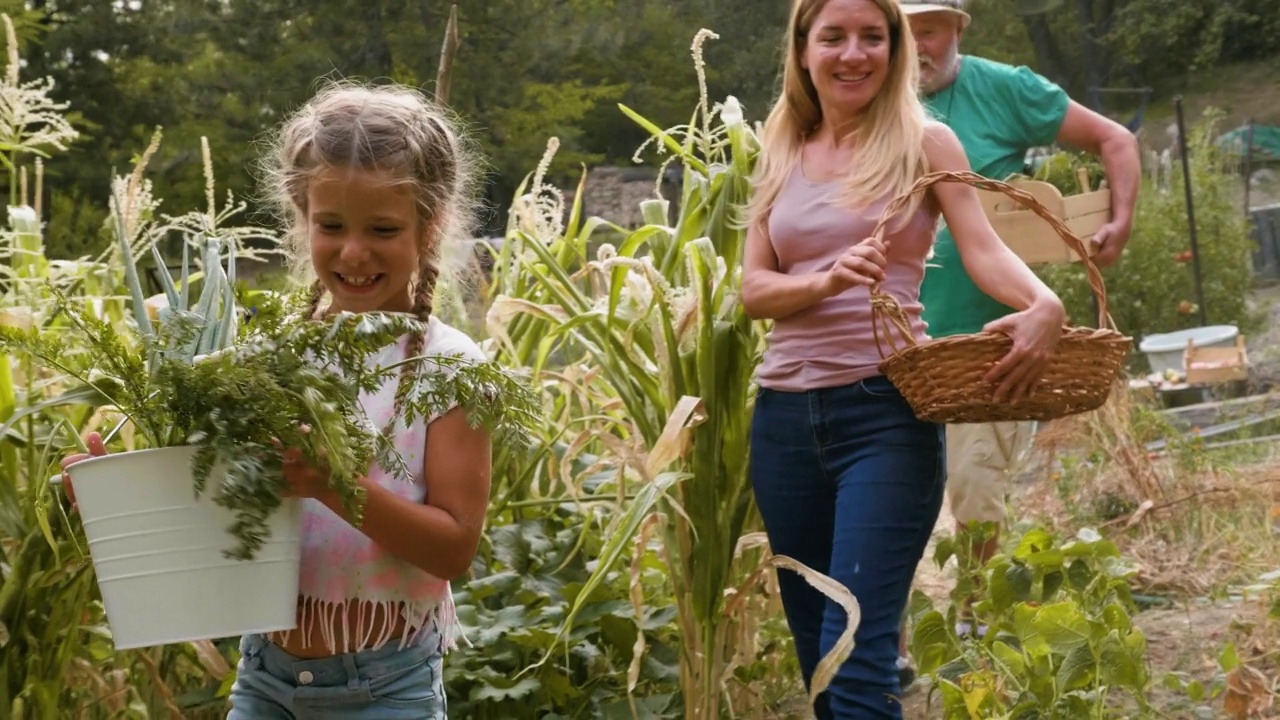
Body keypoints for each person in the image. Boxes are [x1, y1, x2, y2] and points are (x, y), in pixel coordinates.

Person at [61, 81, 493, 719]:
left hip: (387, 690)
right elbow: (216, 506)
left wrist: (329, 482)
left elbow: (455, 549)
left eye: (382, 228)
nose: (352, 251)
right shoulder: (269, 360)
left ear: (430, 228)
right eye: (331, 225)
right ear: (302, 216)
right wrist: (114, 494)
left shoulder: (450, 367)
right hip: (265, 681)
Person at [742, 0, 1071, 716]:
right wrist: (826, 279)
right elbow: (754, 289)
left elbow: (981, 247)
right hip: (783, 425)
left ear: (894, 51)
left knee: (858, 655)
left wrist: (1043, 301)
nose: (853, 53)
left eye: (872, 36)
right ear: (803, 50)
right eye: (833, 37)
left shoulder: (927, 142)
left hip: (885, 415)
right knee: (819, 663)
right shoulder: (782, 148)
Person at [902, 0, 1140, 635]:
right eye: (898, 30)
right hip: (891, 340)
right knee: (894, 501)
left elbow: (1115, 138)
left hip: (984, 342)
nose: (913, 45)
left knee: (975, 486)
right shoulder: (868, 105)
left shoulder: (1004, 89)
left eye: (926, 28)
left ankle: (977, 621)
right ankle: (884, 638)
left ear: (956, 30)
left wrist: (1117, 218)